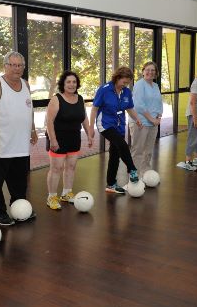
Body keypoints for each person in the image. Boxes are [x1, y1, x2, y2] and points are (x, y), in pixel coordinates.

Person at [0, 51, 38, 226]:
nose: (16, 68)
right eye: (12, 65)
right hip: (1, 145)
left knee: (20, 182)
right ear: (5, 66)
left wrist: (33, 129)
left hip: (21, 145)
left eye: (20, 65)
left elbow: (29, 109)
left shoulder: (26, 84)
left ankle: (19, 208)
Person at [89, 66, 142, 194]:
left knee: (115, 154)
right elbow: (94, 108)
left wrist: (137, 119)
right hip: (105, 124)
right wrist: (91, 127)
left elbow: (129, 108)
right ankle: (132, 169)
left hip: (119, 125)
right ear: (117, 78)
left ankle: (111, 184)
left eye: (127, 83)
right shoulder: (104, 90)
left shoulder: (126, 92)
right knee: (122, 144)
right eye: (124, 82)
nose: (125, 85)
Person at [45, 71, 92, 210]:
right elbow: (49, 122)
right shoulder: (56, 99)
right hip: (58, 139)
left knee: (71, 167)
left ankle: (66, 193)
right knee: (56, 168)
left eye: (74, 82)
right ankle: (51, 197)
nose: (72, 84)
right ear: (63, 84)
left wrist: (89, 134)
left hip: (74, 138)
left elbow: (84, 118)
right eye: (68, 82)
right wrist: (53, 140)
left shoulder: (80, 98)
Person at [129, 61, 163, 179]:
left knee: (148, 151)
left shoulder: (155, 86)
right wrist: (151, 119)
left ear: (156, 73)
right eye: (147, 70)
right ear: (143, 71)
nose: (150, 72)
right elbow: (139, 105)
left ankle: (145, 173)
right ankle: (134, 175)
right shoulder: (139, 84)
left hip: (153, 123)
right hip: (141, 122)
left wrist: (158, 117)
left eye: (153, 70)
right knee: (137, 150)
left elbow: (159, 103)